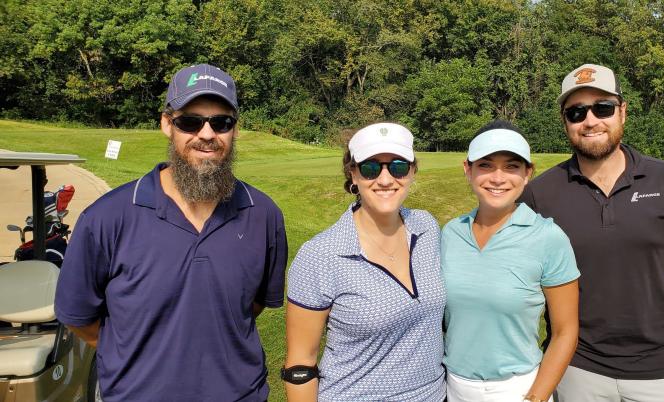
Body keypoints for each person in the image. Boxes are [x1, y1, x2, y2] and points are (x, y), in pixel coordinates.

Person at [55, 64, 287, 402]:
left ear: (235, 130)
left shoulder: (263, 214)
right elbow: (79, 317)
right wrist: (136, 353)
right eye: (190, 121)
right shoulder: (107, 217)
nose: (207, 134)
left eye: (221, 122)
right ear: (167, 124)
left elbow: (250, 306)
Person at [518, 63, 664, 402]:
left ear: (623, 112)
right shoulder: (540, 194)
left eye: (603, 108)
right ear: (565, 121)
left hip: (659, 370)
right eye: (577, 112)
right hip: (575, 368)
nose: (591, 121)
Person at [284, 122, 446, 401]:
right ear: (353, 175)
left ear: (412, 172)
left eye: (398, 167)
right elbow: (300, 363)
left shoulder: (427, 227)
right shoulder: (320, 255)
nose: (385, 179)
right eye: (371, 167)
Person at [441, 121, 581, 402]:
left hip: (517, 389)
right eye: (486, 165)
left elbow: (566, 331)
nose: (498, 177)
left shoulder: (548, 237)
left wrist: (536, 398)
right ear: (467, 170)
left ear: (528, 173)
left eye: (512, 166)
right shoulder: (450, 233)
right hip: (452, 386)